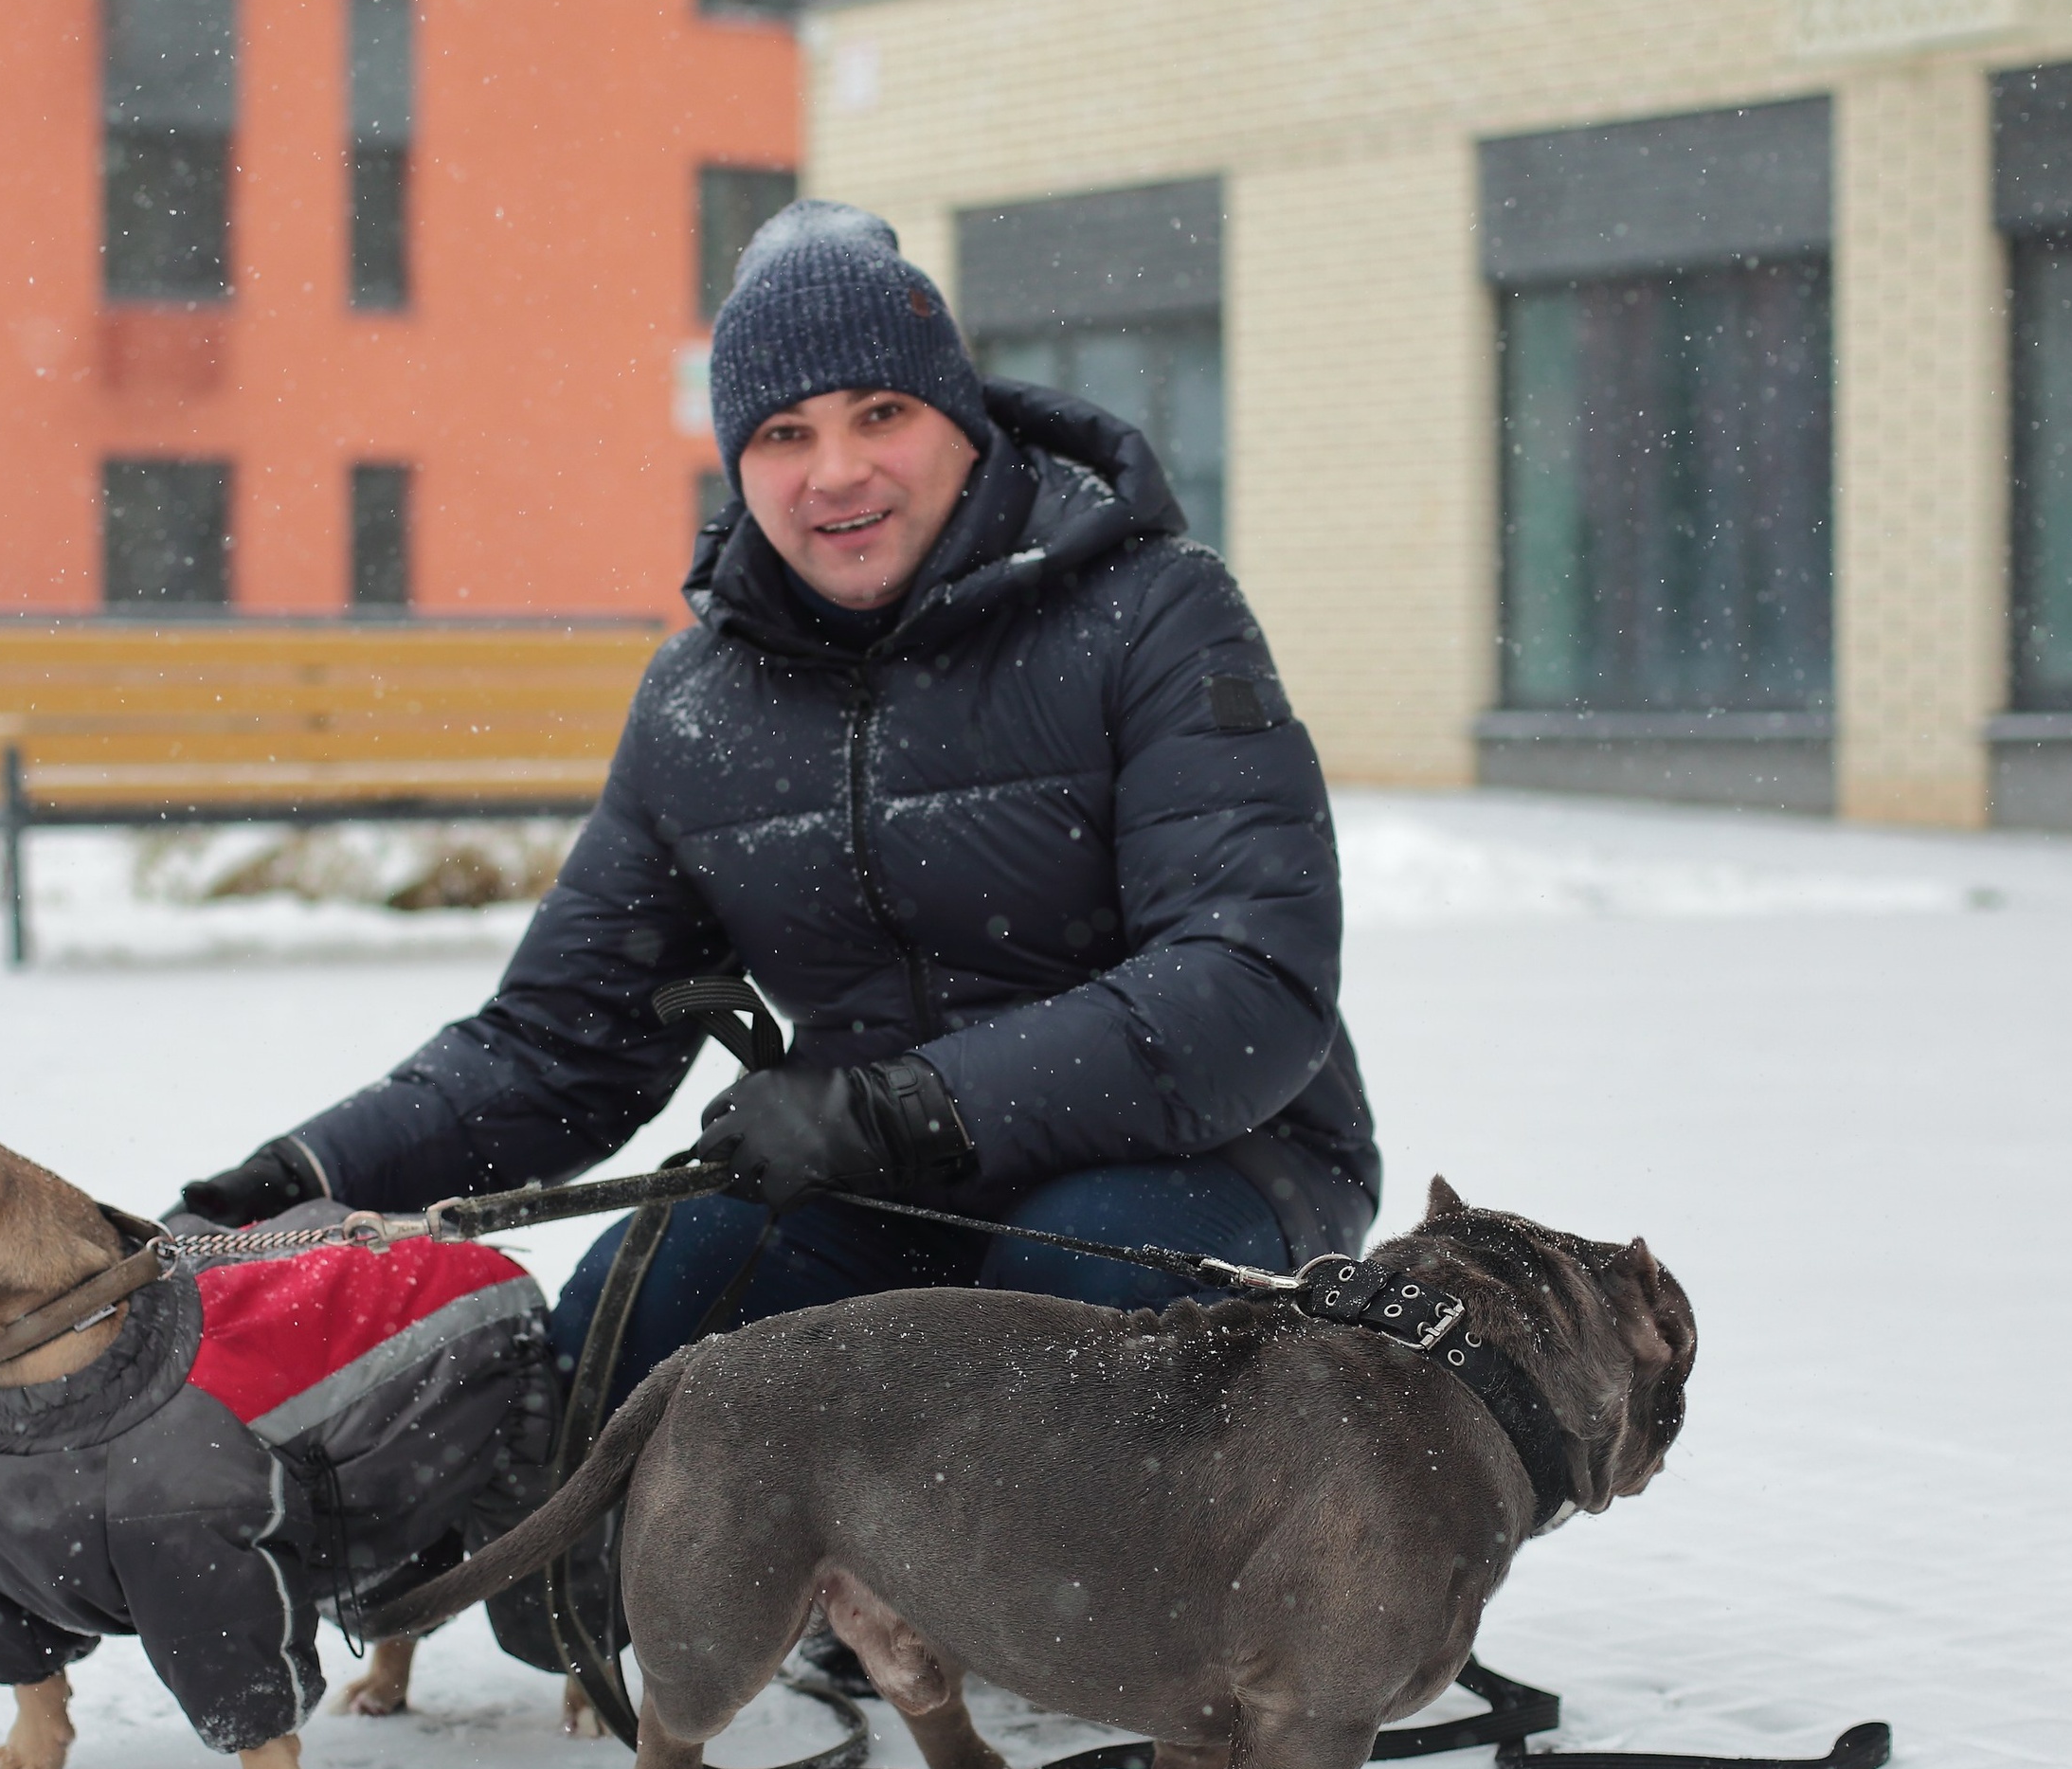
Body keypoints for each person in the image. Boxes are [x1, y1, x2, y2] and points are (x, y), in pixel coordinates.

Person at [176, 199, 1378, 1431]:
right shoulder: (703, 704)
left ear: (958, 421)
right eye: (784, 433)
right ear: (739, 464)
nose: (837, 471)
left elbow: (1244, 990)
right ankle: (692, 1592)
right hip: (873, 1177)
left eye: (882, 414)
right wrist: (311, 1177)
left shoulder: (1153, 614)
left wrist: (906, 1104)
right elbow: (565, 1040)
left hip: (1202, 1165)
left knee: (1049, 1344)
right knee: (618, 1365)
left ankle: (999, 1608)